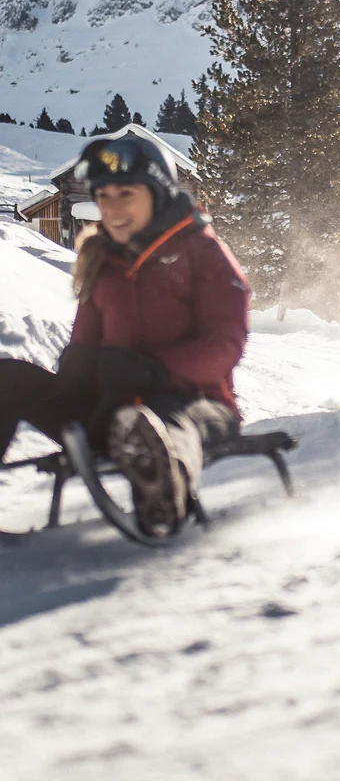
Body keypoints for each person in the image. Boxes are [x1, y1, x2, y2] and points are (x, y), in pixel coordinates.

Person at [0, 134, 250, 537]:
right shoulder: (104, 259)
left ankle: (164, 493)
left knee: (163, 421)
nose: (111, 209)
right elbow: (85, 338)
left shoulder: (204, 253)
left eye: (125, 194)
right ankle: (141, 445)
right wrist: (78, 365)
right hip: (109, 408)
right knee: (7, 379)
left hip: (193, 402)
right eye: (103, 196)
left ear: (157, 192)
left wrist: (152, 371)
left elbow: (225, 345)